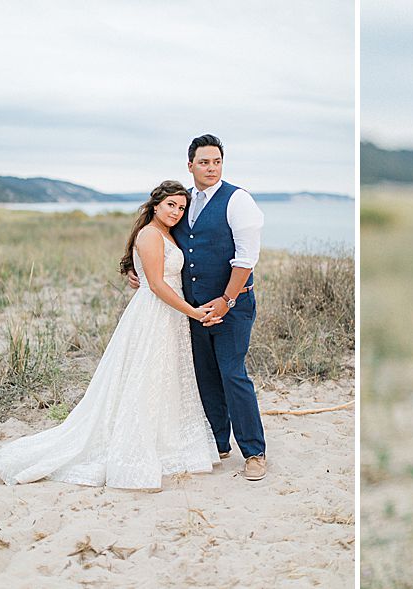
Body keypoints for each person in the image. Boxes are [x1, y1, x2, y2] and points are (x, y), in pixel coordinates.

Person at [0, 181, 223, 489]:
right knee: (144, 375)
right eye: (171, 205)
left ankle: (164, 440)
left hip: (171, 313)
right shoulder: (150, 234)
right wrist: (193, 312)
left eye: (181, 207)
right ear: (156, 205)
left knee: (164, 376)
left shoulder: (168, 233)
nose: (176, 212)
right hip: (155, 311)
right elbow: (156, 284)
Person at [165, 134, 268, 481]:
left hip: (233, 306)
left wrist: (226, 301)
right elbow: (160, 240)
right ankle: (219, 443)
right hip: (192, 308)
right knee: (205, 374)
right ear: (190, 165)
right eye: (204, 162)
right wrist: (137, 271)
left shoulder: (238, 200)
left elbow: (246, 259)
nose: (211, 168)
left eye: (217, 162)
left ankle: (254, 452)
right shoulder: (182, 202)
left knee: (232, 373)